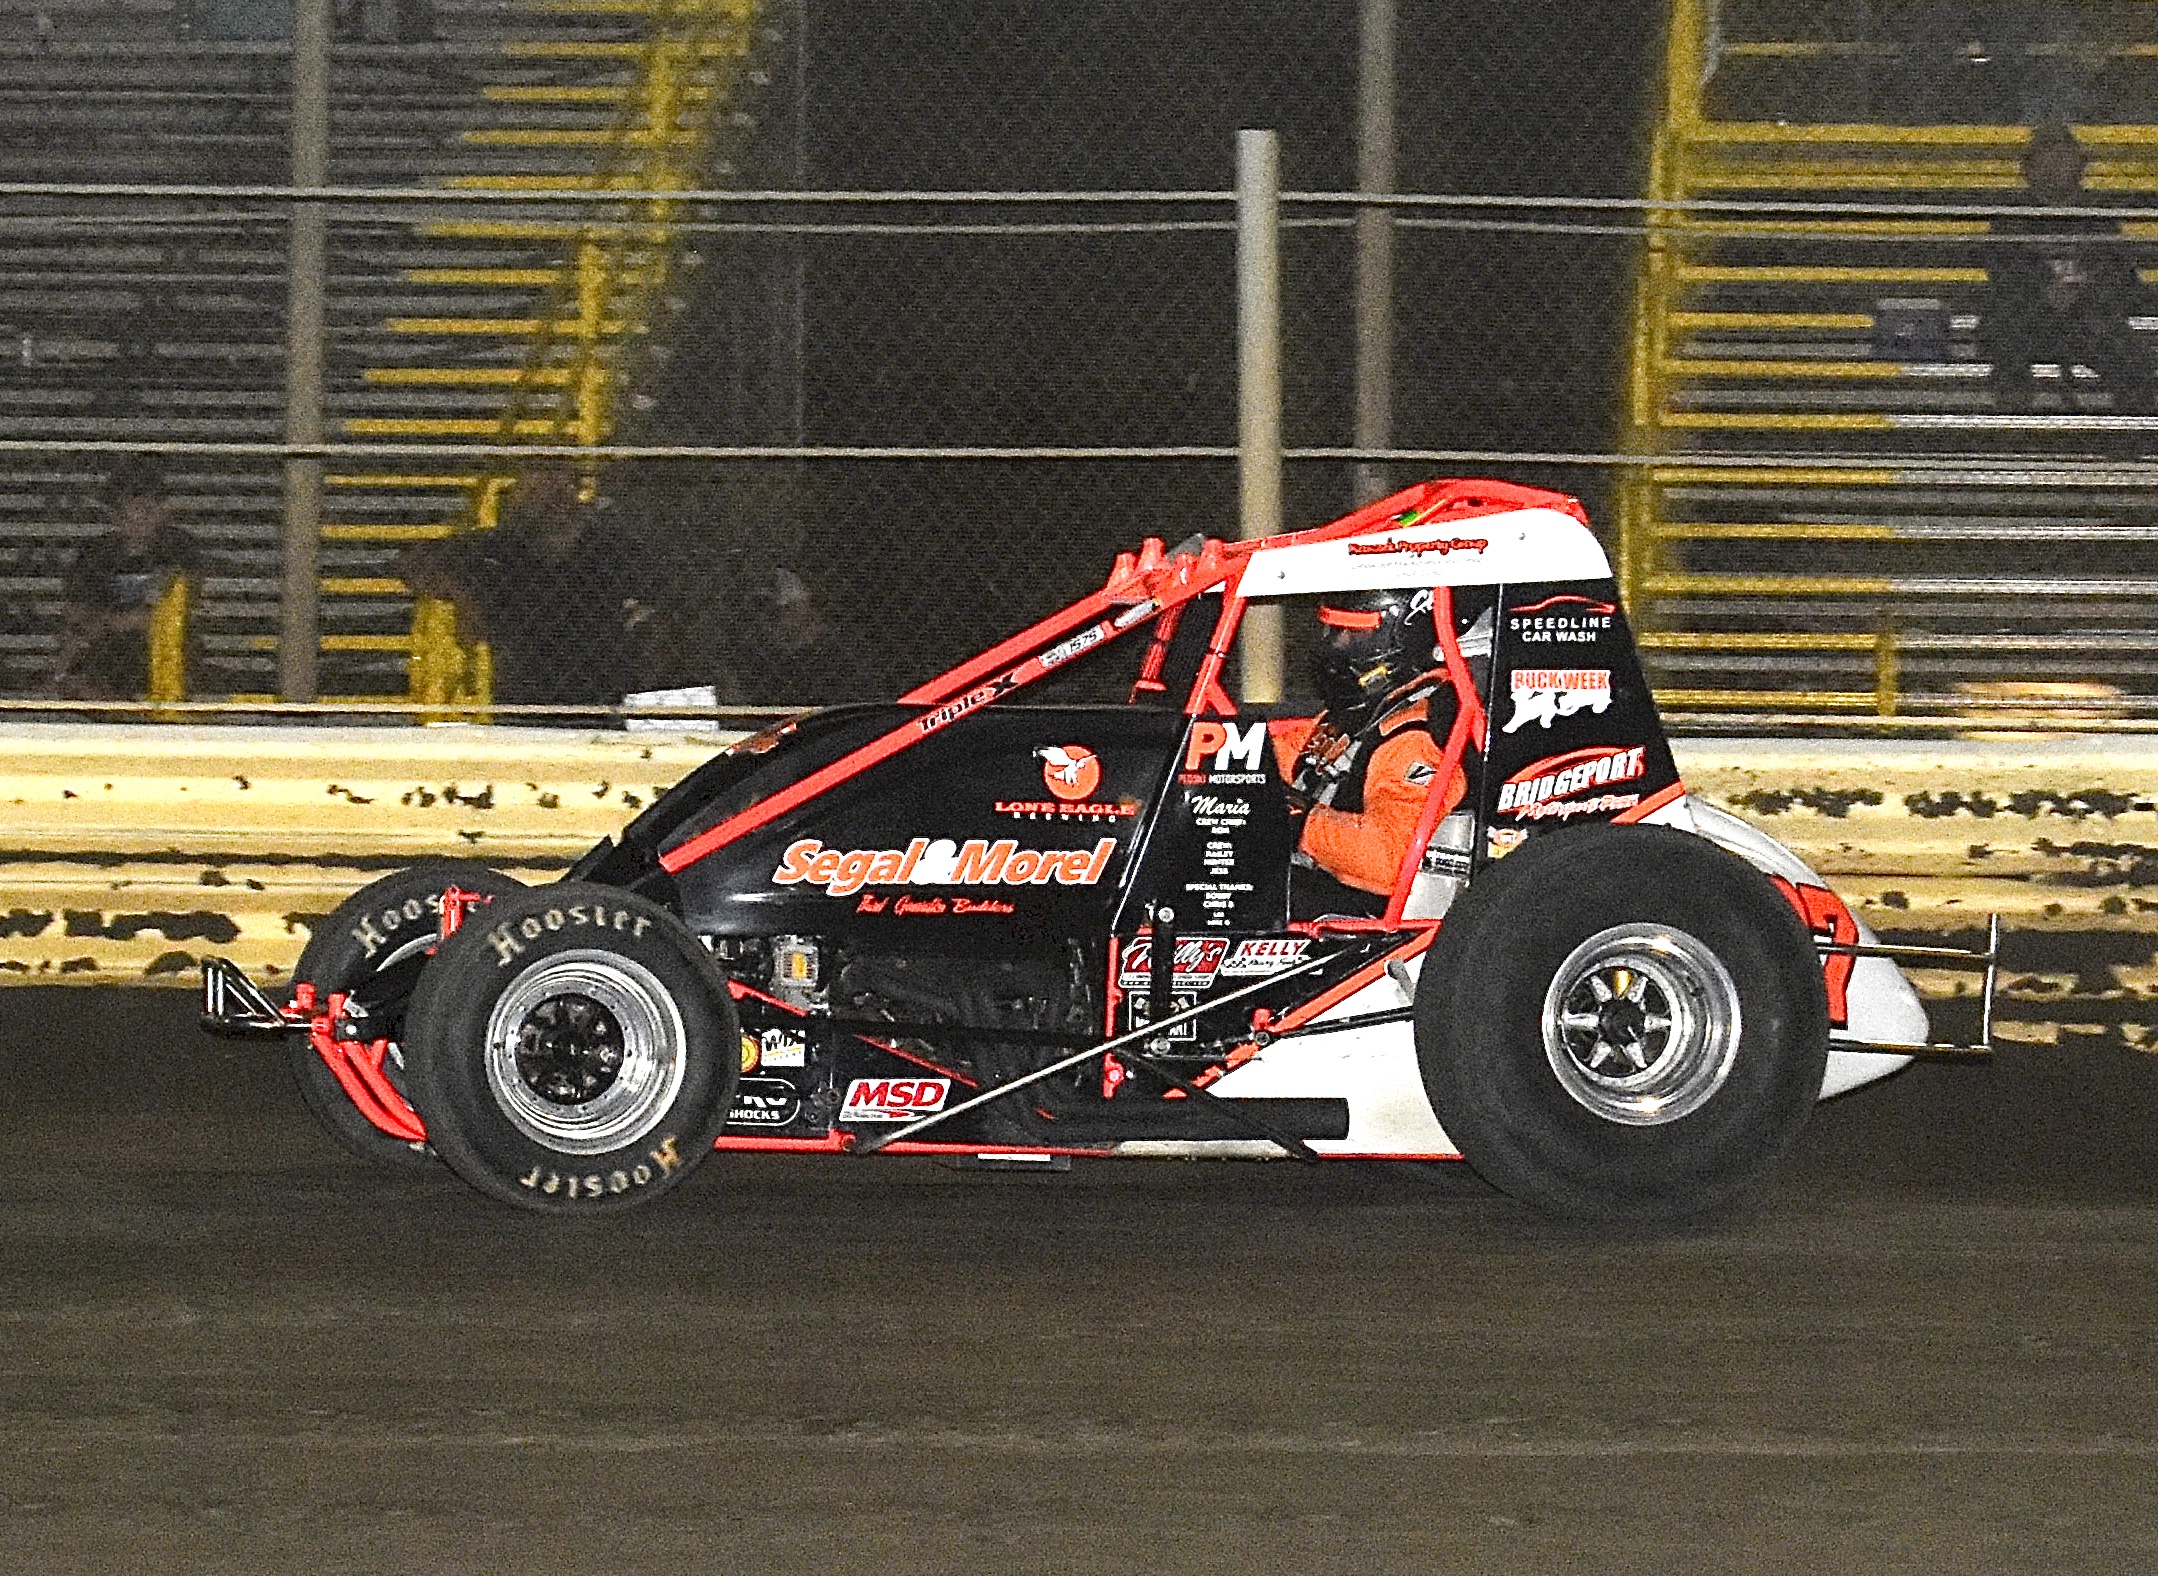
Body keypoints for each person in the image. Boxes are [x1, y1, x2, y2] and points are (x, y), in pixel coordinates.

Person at [1269, 587, 1493, 917]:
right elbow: (1276, 758)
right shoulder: (1366, 712)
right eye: (1333, 630)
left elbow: (1390, 860)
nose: (1336, 645)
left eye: (1354, 633)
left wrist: (1297, 820)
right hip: (1321, 884)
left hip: (1366, 912)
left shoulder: (1415, 736)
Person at [397, 461, 655, 709]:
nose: (542, 490)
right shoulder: (502, 549)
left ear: (572, 487)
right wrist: (464, 594)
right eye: (533, 482)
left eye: (552, 480)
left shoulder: (608, 548)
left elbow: (656, 592)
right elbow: (414, 563)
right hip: (522, 692)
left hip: (596, 691)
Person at [1982, 123, 2156, 415]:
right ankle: (2012, 430)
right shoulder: (2010, 219)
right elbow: (2003, 274)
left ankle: (2135, 431)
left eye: (2062, 158)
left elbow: (2121, 275)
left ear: (2079, 166)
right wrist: (2044, 295)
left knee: (2133, 360)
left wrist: (2082, 293)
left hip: (2089, 320)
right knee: (2007, 343)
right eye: (2044, 159)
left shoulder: (2099, 217)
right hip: (2028, 320)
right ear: (2028, 169)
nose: (2053, 168)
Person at [47, 456, 198, 701]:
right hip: (106, 659)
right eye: (136, 507)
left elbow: (176, 612)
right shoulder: (95, 553)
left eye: (152, 505)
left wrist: (114, 621)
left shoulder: (180, 549)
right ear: (115, 513)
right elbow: (76, 615)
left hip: (166, 658)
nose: (145, 515)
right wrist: (60, 673)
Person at [727, 566, 876, 706]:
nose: (767, 622)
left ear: (802, 606)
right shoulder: (765, 660)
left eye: (776, 613)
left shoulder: (842, 653)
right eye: (764, 613)